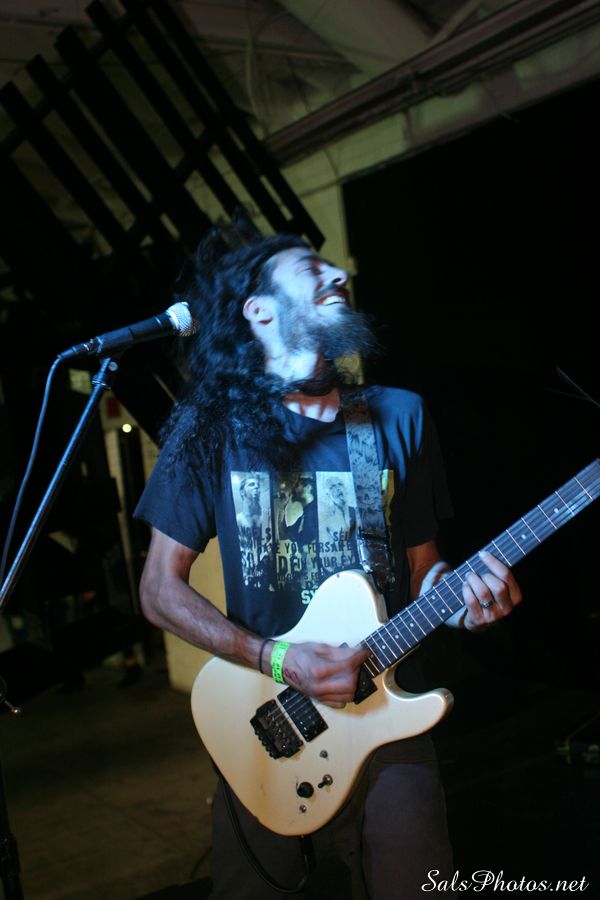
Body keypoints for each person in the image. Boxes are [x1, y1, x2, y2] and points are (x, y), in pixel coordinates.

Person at [134, 219, 522, 899]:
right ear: (259, 310)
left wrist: (465, 603)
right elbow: (158, 591)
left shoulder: (398, 415)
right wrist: (277, 659)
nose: (338, 274)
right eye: (312, 269)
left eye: (332, 267)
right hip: (265, 720)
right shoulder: (211, 428)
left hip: (388, 719)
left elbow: (423, 571)